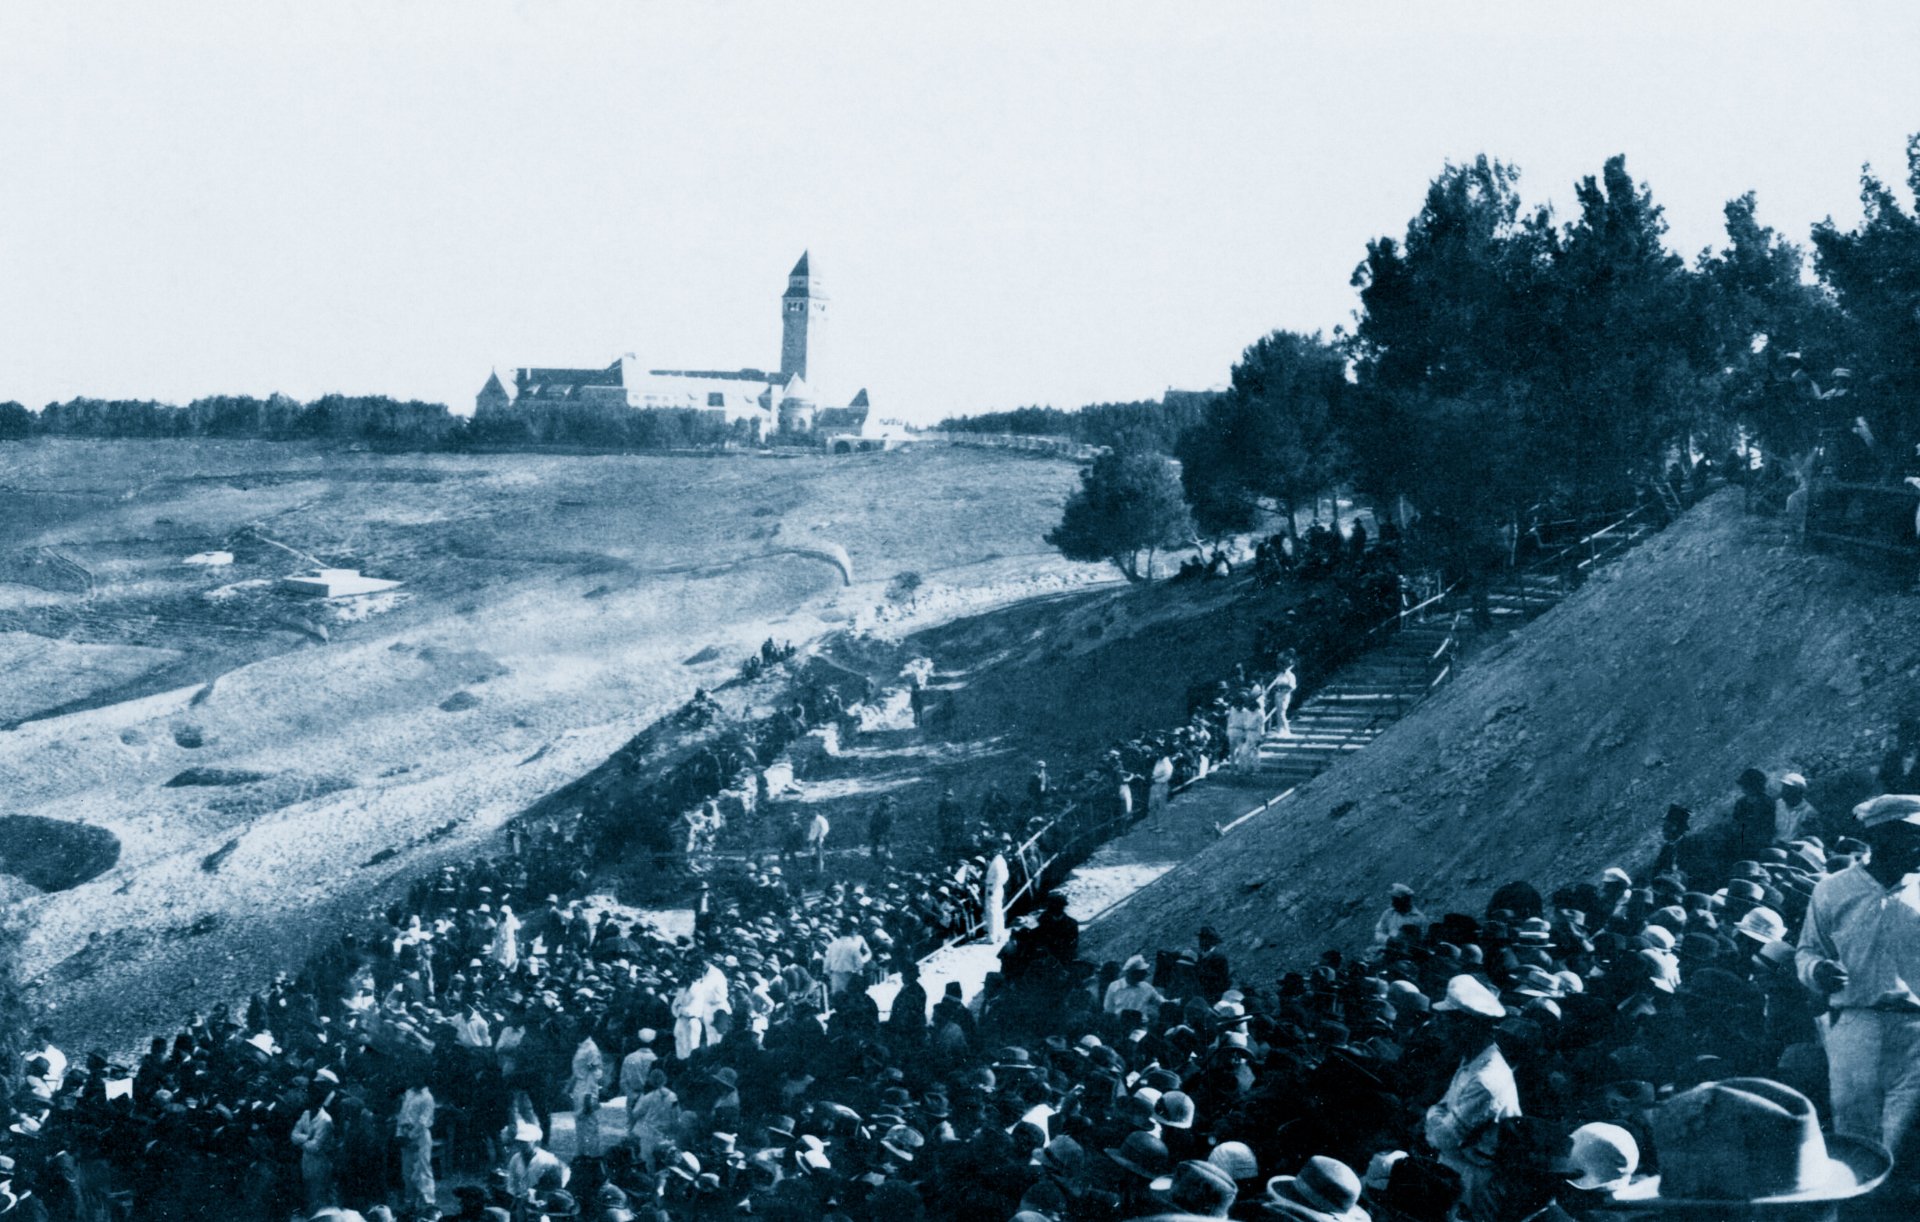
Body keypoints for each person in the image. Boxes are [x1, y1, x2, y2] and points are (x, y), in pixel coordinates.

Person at [1796, 794, 1920, 1166]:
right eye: (1913, 837)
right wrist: (1817, 971)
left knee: (1903, 1142)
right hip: (1856, 1024)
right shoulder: (1833, 889)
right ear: (1882, 838)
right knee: (1856, 1140)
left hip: (1915, 1031)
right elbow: (1806, 951)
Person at [1422, 975, 1520, 1219]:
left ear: (1467, 1025)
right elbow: (1441, 1113)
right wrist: (1438, 1115)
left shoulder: (1486, 1079)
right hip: (1457, 1172)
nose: (1442, 1029)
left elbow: (1444, 1138)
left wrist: (1434, 1115)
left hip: (1472, 1185)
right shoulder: (1473, 1061)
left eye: (1447, 1022)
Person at [395, 1077, 437, 1215]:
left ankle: (428, 1203)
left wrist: (411, 1136)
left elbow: (423, 1121)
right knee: (407, 1171)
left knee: (422, 1170)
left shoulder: (427, 1098)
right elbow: (402, 1114)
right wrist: (400, 1134)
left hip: (420, 1136)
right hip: (406, 1134)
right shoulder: (409, 1093)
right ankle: (410, 1202)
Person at [1372, 884, 1429, 950]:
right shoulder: (1388, 914)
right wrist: (1388, 940)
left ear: (1404, 900)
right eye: (1393, 899)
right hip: (1388, 951)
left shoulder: (1419, 918)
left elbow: (1424, 940)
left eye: (1395, 900)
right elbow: (1378, 933)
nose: (1392, 903)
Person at [825, 928, 874, 1000]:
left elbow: (827, 963)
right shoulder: (853, 946)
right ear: (851, 932)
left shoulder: (833, 945)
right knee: (850, 998)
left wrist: (828, 973)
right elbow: (859, 964)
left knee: (837, 997)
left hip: (836, 976)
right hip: (850, 975)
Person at [1774, 771, 1818, 842]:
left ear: (1798, 791)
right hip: (1773, 846)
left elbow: (1808, 836)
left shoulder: (1809, 811)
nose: (1784, 791)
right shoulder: (1777, 805)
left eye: (1789, 789)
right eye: (1784, 787)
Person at [984, 850, 1011, 946]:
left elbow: (999, 877)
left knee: (992, 911)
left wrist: (993, 887)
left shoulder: (997, 861)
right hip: (997, 887)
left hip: (993, 888)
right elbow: (1005, 876)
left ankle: (992, 936)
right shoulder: (1000, 861)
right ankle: (999, 934)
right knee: (998, 911)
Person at [1271, 651, 1299, 738]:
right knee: (1278, 713)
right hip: (1278, 694)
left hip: (1284, 695)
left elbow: (1292, 686)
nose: (1280, 667)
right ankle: (1280, 731)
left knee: (1282, 713)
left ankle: (1287, 731)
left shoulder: (1290, 675)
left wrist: (1282, 687)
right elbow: (1275, 684)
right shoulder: (1279, 674)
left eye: (1282, 665)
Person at [869, 796, 896, 864]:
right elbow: (873, 821)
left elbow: (891, 820)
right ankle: (875, 851)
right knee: (876, 839)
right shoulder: (878, 811)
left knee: (886, 839)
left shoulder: (890, 810)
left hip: (885, 827)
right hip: (877, 827)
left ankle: (886, 851)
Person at [805, 810, 831, 878]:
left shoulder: (821, 820)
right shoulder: (812, 820)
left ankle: (820, 872)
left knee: (820, 856)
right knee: (812, 855)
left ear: (816, 812)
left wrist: (819, 837)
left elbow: (825, 829)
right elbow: (812, 830)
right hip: (813, 840)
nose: (812, 814)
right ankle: (814, 871)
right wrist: (810, 839)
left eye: (813, 813)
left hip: (819, 840)